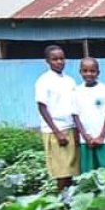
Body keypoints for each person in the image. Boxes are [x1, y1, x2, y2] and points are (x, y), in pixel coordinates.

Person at [35, 44, 79, 192]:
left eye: (62, 58)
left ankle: (69, 200)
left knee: (72, 170)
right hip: (55, 131)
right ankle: (62, 203)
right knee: (62, 172)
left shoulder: (70, 80)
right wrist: (57, 132)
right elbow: (42, 107)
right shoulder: (44, 81)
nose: (59, 62)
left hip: (70, 127)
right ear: (47, 61)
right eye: (55, 59)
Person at [72, 57, 105, 173]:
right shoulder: (76, 91)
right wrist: (85, 136)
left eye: (92, 71)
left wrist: (101, 136)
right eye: (85, 71)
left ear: (98, 72)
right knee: (88, 175)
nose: (89, 74)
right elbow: (75, 115)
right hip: (86, 142)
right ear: (80, 72)